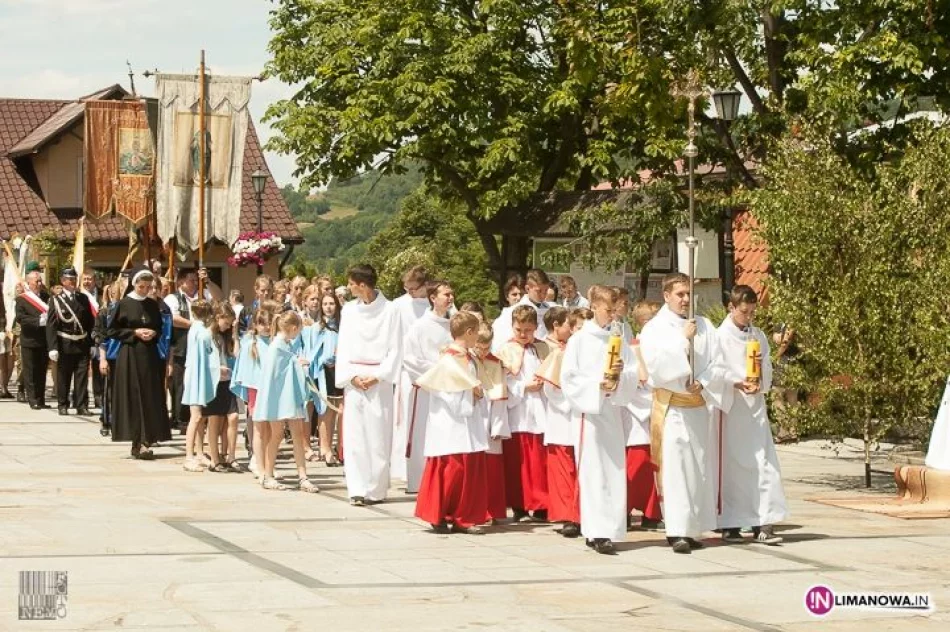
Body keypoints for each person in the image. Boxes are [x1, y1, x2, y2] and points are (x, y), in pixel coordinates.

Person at [639, 272, 728, 554]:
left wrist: (705, 380)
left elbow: (719, 360)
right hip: (673, 406)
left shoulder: (705, 324)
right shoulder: (656, 328)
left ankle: (694, 527)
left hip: (698, 404)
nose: (686, 299)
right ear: (666, 296)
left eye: (689, 294)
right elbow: (656, 366)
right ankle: (676, 530)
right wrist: (682, 340)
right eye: (680, 294)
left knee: (697, 468)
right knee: (676, 470)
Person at [561, 285, 643, 554]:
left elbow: (634, 372)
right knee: (593, 471)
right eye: (608, 310)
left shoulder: (618, 335)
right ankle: (596, 531)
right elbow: (569, 378)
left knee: (614, 469)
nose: (613, 315)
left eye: (615, 310)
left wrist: (621, 375)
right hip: (591, 412)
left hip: (613, 411)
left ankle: (611, 528)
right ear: (594, 306)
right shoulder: (580, 340)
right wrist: (599, 382)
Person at [716, 285, 787, 545]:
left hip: (755, 409)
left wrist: (760, 380)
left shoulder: (758, 335)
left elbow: (766, 364)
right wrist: (735, 381)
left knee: (763, 465)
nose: (749, 317)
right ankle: (731, 523)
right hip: (732, 409)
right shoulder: (719, 337)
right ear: (731, 308)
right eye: (744, 312)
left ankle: (763, 521)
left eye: (753, 312)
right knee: (733, 467)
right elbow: (714, 371)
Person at [413, 311, 489, 534]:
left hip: (466, 422)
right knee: (451, 470)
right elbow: (445, 391)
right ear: (469, 332)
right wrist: (471, 393)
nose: (478, 338)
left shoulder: (466, 357)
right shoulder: (450, 359)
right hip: (450, 423)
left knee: (465, 470)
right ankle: (440, 515)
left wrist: (475, 391)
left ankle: (462, 516)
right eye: (476, 333)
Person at [336, 264, 402, 506]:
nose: (349, 287)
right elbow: (342, 345)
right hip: (354, 377)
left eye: (352, 283)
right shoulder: (349, 311)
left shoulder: (391, 309)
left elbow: (396, 347)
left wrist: (379, 375)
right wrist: (350, 376)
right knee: (355, 436)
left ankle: (375, 489)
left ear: (362, 285)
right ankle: (356, 486)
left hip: (378, 378)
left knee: (378, 435)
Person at [108, 269, 171, 459]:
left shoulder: (153, 305)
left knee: (149, 396)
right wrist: (134, 333)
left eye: (147, 287)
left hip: (150, 355)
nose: (144, 290)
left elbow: (160, 327)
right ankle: (137, 441)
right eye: (141, 287)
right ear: (134, 284)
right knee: (134, 397)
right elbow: (111, 330)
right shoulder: (123, 304)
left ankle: (147, 440)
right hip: (130, 354)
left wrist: (153, 333)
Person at [497, 304, 550, 522]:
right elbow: (505, 379)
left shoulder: (544, 348)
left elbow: (552, 372)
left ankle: (541, 504)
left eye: (528, 330)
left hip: (540, 406)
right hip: (519, 409)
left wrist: (543, 381)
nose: (523, 335)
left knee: (539, 461)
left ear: (535, 328)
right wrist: (523, 387)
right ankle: (519, 504)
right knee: (518, 460)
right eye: (519, 330)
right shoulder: (506, 349)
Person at [255, 310, 318, 492]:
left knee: (297, 434)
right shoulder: (276, 347)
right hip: (278, 399)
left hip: (290, 397)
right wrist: (297, 364)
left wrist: (297, 364)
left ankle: (303, 476)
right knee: (277, 435)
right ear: (293, 328)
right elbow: (272, 377)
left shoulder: (285, 346)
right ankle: (267, 475)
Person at [402, 281, 454, 494]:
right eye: (446, 294)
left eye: (452, 294)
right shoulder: (420, 326)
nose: (450, 298)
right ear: (433, 298)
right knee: (423, 435)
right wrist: (439, 370)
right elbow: (410, 359)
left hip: (451, 391)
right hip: (427, 389)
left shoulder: (454, 324)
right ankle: (420, 481)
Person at [536, 306, 580, 538]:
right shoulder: (559, 355)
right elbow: (551, 389)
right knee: (563, 473)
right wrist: (573, 401)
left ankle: (582, 513)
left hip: (582, 419)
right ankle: (568, 517)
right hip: (562, 419)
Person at [165, 268, 222, 432]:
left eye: (196, 280)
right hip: (181, 346)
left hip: (202, 347)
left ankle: (199, 417)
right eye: (191, 280)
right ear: (181, 282)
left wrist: (208, 281)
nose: (195, 283)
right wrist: (195, 325)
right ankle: (180, 419)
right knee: (180, 383)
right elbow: (173, 318)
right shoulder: (173, 298)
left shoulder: (203, 295)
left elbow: (219, 298)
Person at [624, 300, 663, 531]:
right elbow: (637, 382)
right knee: (635, 466)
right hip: (637, 414)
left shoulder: (657, 346)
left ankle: (651, 512)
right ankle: (627, 510)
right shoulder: (634, 348)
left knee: (651, 467)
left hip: (655, 411)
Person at [391, 264, 432, 481]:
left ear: (425, 285)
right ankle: (406, 469)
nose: (409, 293)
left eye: (413, 288)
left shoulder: (436, 304)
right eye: (406, 288)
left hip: (433, 370)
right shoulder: (399, 305)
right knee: (407, 419)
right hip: (408, 370)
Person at [231, 302, 277, 478]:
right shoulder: (251, 342)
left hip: (271, 390)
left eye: (268, 323)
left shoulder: (275, 342)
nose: (265, 327)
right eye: (262, 323)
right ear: (255, 325)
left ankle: (267, 462)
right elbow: (246, 368)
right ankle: (257, 462)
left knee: (271, 428)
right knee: (258, 428)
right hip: (256, 390)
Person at [472, 322, 510, 525]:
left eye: (487, 348)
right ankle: (478, 510)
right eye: (479, 347)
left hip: (492, 416)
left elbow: (500, 396)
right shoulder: (468, 360)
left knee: (492, 469)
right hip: (476, 414)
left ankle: (493, 510)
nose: (483, 352)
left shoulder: (496, 363)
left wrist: (498, 426)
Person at [45, 267, 96, 416]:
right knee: (64, 377)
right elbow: (51, 325)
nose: (72, 282)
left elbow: (89, 323)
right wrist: (52, 347)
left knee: (81, 377)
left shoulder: (83, 298)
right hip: (64, 343)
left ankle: (81, 405)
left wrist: (92, 344)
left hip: (81, 343)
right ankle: (63, 404)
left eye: (74, 279)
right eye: (69, 279)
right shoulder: (56, 300)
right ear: (62, 281)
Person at [302, 291, 342, 465]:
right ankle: (324, 448)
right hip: (323, 371)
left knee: (337, 410)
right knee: (325, 410)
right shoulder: (317, 327)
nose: (328, 307)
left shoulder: (343, 325)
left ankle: (337, 447)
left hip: (341, 370)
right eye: (325, 304)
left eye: (331, 303)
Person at [492, 269, 552, 353]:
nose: (543, 295)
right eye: (539, 291)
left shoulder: (551, 310)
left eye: (545, 290)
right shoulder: (512, 312)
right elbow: (500, 340)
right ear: (528, 288)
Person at [15, 271, 50, 409]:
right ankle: (32, 399)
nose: (40, 284)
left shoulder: (46, 297)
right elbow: (20, 318)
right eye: (37, 281)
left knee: (42, 371)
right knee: (30, 371)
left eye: (40, 281)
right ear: (29, 282)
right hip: (29, 339)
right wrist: (38, 321)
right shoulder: (22, 299)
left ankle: (41, 399)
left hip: (44, 340)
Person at [81, 269, 105, 408]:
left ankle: (98, 396)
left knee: (98, 368)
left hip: (98, 338)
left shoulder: (102, 296)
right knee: (82, 370)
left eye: (89, 279)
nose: (87, 281)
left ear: (94, 281)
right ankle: (82, 398)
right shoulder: (78, 295)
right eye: (85, 279)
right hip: (83, 337)